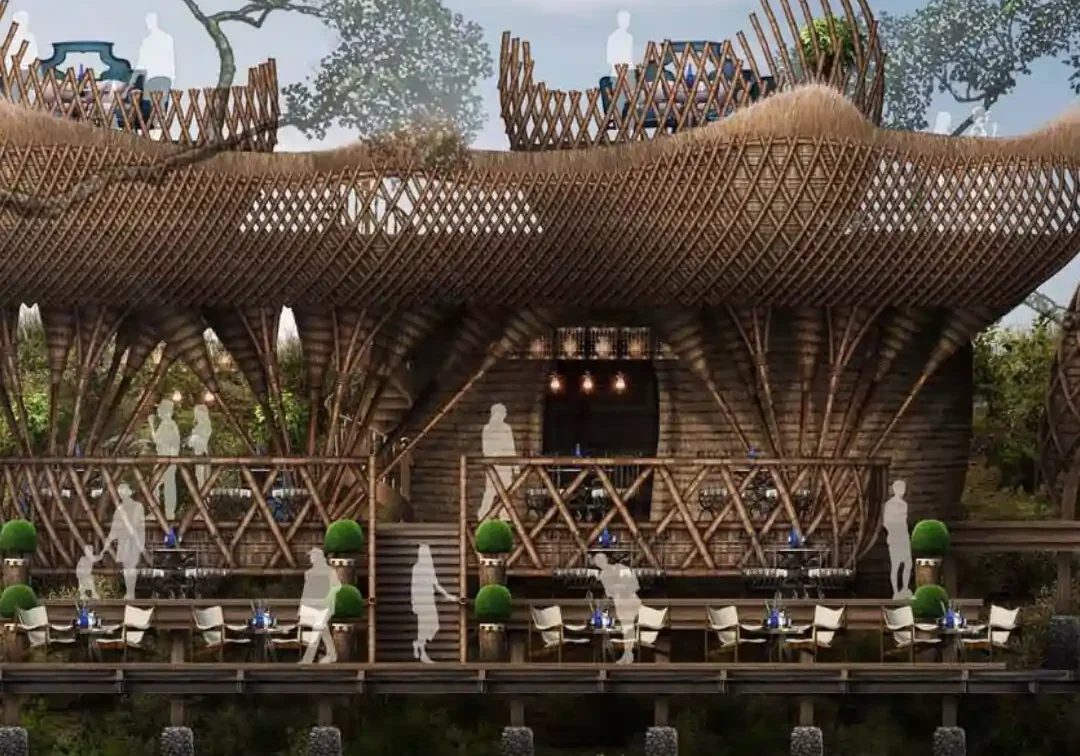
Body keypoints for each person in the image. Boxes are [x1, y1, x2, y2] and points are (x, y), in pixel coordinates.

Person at [410, 543, 458, 663]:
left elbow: (436, 585)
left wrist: (448, 595)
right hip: (421, 601)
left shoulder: (429, 568)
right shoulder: (416, 568)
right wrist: (413, 602)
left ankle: (417, 644)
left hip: (429, 600)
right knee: (423, 628)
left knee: (434, 626)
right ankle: (423, 654)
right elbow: (413, 586)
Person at [594, 552, 640, 664]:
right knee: (626, 629)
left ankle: (628, 655)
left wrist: (620, 588)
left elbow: (634, 586)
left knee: (628, 628)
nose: (600, 564)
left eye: (601, 560)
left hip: (629, 602)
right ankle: (627, 654)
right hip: (621, 603)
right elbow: (609, 592)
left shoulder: (621, 569)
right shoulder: (604, 574)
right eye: (598, 562)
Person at [103, 484, 145, 600]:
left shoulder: (138, 507)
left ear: (129, 492)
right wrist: (109, 539)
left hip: (133, 539)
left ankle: (131, 592)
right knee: (127, 567)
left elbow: (138, 524)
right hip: (123, 540)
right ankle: (129, 592)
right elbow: (114, 528)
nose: (122, 495)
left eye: (124, 491)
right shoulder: (119, 509)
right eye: (120, 493)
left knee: (131, 566)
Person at [478, 404, 517, 521]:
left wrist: (515, 467)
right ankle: (483, 515)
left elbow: (511, 447)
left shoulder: (506, 428)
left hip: (505, 466)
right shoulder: (487, 429)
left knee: (506, 492)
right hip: (494, 466)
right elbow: (486, 449)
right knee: (490, 491)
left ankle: (505, 516)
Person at [300, 548, 340, 663]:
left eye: (313, 556)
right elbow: (307, 590)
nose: (311, 559)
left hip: (325, 606)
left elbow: (337, 586)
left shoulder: (329, 571)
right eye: (310, 556)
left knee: (317, 630)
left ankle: (308, 659)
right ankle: (332, 654)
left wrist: (328, 597)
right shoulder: (309, 573)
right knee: (323, 631)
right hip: (313, 605)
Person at [148, 399, 181, 520]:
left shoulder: (167, 424)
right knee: (165, 485)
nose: (157, 411)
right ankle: (166, 512)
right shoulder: (169, 424)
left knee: (156, 485)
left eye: (159, 409)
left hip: (165, 460)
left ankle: (158, 512)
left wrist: (151, 425)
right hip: (167, 459)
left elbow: (158, 441)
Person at [882, 479, 912, 599]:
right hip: (895, 536)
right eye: (901, 488)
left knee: (908, 564)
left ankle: (905, 588)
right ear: (895, 489)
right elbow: (886, 522)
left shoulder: (904, 504)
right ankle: (896, 591)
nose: (903, 491)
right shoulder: (889, 504)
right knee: (896, 565)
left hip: (904, 536)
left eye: (904, 488)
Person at [135, 12, 175, 91]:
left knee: (148, 101)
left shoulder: (147, 41)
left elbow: (142, 62)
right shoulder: (167, 38)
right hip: (166, 78)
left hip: (152, 78)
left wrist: (133, 79)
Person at [187, 403, 212, 489]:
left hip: (202, 452)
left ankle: (203, 499)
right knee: (199, 477)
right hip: (197, 451)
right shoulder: (200, 425)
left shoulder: (205, 425)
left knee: (202, 478)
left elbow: (202, 438)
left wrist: (193, 439)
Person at [607, 11, 634, 75]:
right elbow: (610, 58)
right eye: (625, 20)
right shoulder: (613, 37)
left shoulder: (629, 37)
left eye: (628, 20)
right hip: (617, 70)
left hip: (628, 69)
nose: (627, 22)